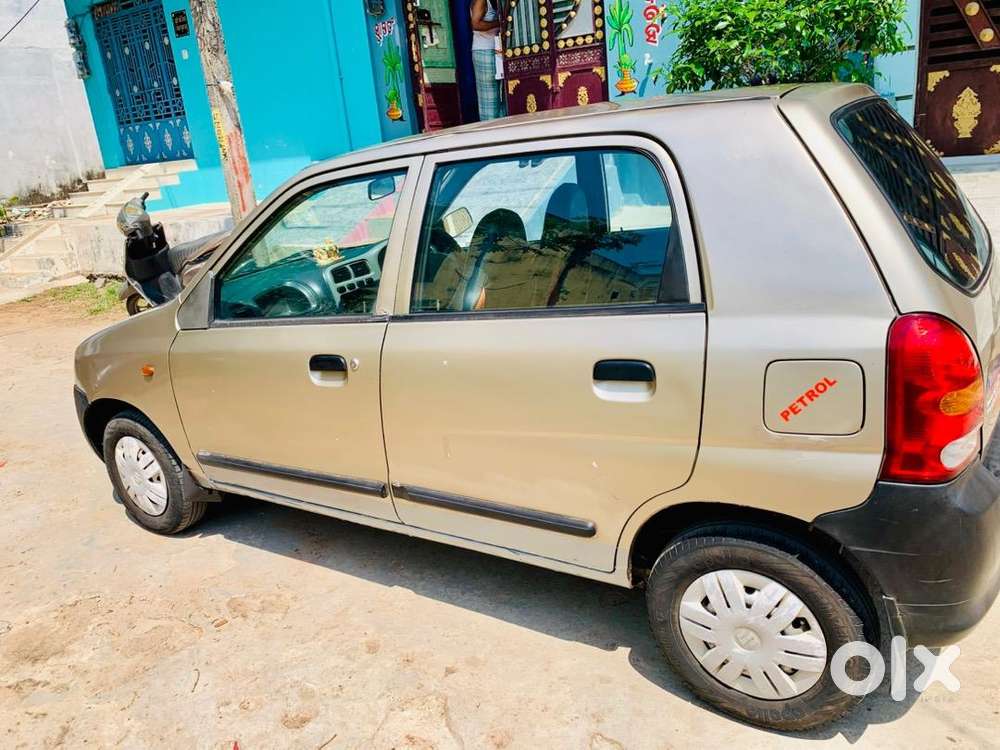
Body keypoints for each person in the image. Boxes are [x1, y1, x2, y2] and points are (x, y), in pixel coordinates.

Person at [470, 0, 506, 121]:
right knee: (489, 99)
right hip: (484, 50)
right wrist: (499, 23)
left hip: (496, 50)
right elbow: (476, 24)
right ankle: (489, 132)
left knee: (503, 96)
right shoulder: (481, 1)